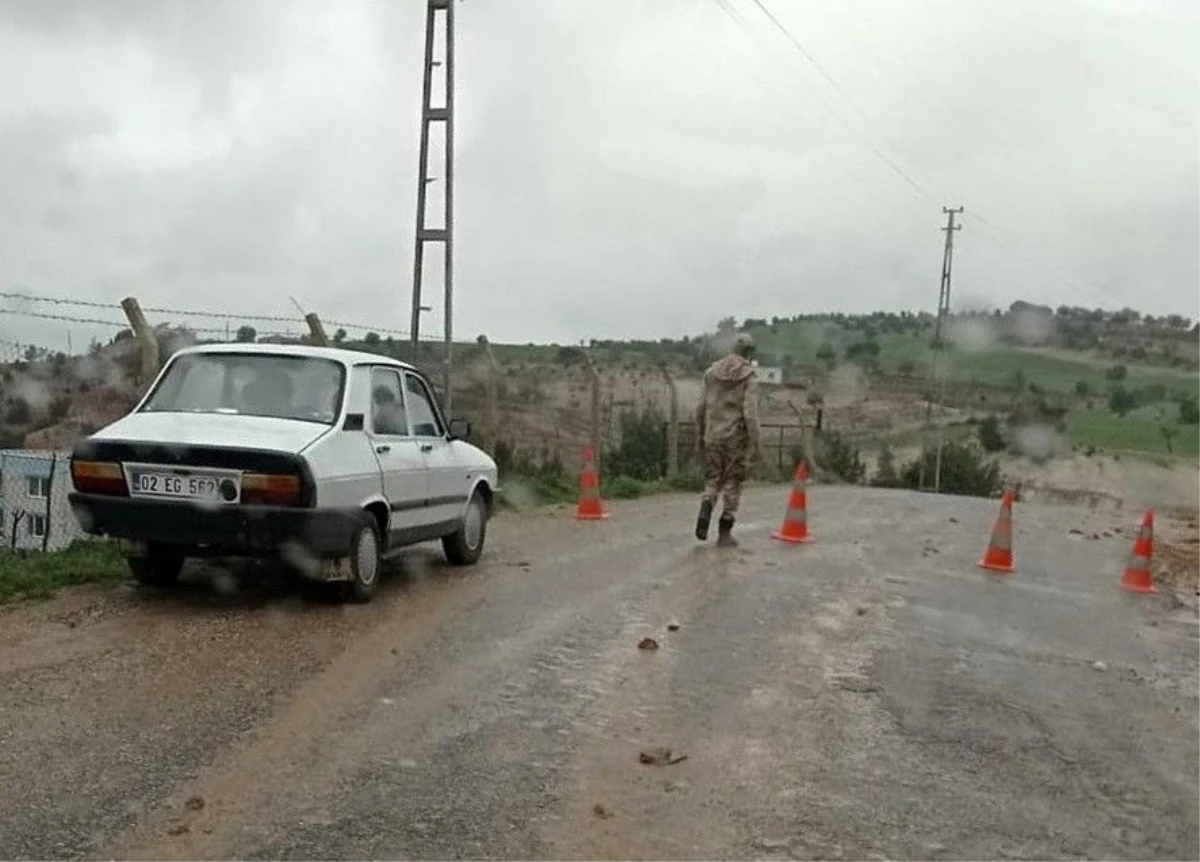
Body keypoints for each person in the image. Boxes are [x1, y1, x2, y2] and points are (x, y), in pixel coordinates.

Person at [694, 333, 762, 547]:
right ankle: (725, 532)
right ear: (749, 354)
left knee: (713, 478)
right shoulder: (749, 377)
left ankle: (706, 505)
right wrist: (756, 440)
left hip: (712, 434)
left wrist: (700, 432)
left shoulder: (710, 373)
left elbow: (701, 407)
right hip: (735, 438)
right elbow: (750, 412)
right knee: (733, 481)